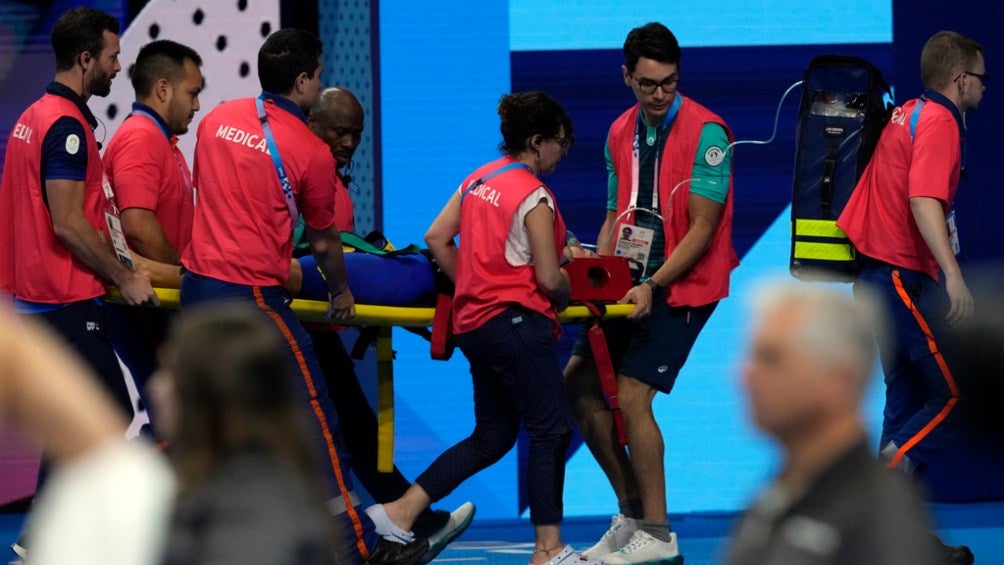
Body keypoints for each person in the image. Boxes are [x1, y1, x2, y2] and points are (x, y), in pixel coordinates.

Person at [179, 28, 424, 564]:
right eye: (316, 74)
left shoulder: (216, 120)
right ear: (302, 82)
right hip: (252, 299)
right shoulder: (309, 154)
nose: (319, 80)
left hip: (196, 294)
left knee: (196, 426)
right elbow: (325, 241)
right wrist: (340, 294)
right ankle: (356, 548)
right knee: (316, 420)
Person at [368, 91, 596, 565]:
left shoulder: (479, 178)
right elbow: (549, 278)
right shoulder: (534, 195)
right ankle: (548, 549)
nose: (562, 153)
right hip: (516, 325)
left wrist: (475, 283)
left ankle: (401, 511)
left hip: (475, 327)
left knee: (492, 437)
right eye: (560, 143)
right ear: (536, 142)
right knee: (552, 430)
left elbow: (435, 237)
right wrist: (573, 293)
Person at [563, 22, 738, 564]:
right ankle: (633, 515)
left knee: (634, 396)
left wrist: (651, 284)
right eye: (647, 84)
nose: (659, 94)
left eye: (668, 82)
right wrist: (600, 267)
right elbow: (617, 212)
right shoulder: (619, 132)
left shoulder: (709, 133)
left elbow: (703, 228)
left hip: (683, 286)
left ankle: (659, 537)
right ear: (627, 77)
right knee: (580, 384)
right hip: (629, 284)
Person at [0, 8, 159, 558]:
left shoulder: (35, 114)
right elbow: (68, 222)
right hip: (63, 296)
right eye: (112, 57)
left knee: (84, 416)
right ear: (85, 58)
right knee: (109, 411)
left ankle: (38, 540)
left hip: (39, 298)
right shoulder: (65, 126)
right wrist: (125, 276)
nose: (118, 68)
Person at [835, 30, 985, 565]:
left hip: (876, 276)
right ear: (961, 78)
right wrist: (954, 276)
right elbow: (924, 200)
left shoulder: (908, 111)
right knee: (955, 394)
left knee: (902, 400)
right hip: (898, 276)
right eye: (981, 80)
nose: (984, 90)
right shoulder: (941, 121)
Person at [305, 86, 474, 550]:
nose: (348, 142)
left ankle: (402, 516)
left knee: (355, 426)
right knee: (345, 430)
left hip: (322, 326)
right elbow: (307, 252)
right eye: (340, 131)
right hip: (294, 326)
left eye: (356, 134)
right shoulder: (302, 172)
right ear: (312, 124)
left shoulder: (334, 180)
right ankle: (395, 520)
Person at [726, 283, 942, 565]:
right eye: (751, 357)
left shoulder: (881, 520)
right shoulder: (773, 498)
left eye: (772, 358)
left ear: (840, 380)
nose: (743, 375)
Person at [152, 304, 345, 564]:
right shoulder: (217, 478)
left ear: (210, 393)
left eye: (169, 374)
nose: (154, 388)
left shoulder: (257, 502)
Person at [0, 305, 174, 565]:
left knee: (112, 414)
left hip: (63, 302)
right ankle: (36, 535)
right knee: (102, 420)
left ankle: (38, 532)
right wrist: (124, 276)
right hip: (66, 302)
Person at [102, 38, 204, 436]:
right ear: (163, 89)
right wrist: (186, 277)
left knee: (182, 422)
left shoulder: (159, 140)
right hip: (146, 305)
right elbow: (138, 227)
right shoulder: (141, 139)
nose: (196, 105)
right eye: (192, 93)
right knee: (179, 425)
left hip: (160, 301)